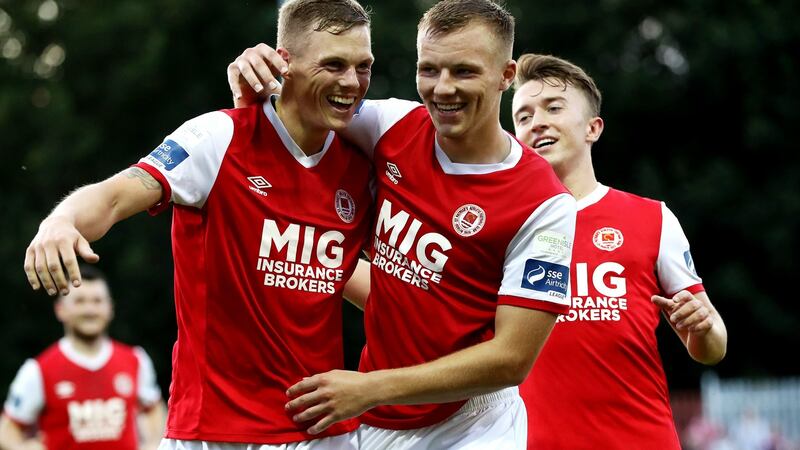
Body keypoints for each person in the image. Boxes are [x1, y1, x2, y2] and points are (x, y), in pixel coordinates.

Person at [23, 0, 376, 448]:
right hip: (213, 431)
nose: (352, 82)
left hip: (319, 431)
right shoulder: (217, 137)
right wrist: (61, 220)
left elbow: (357, 281)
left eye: (363, 66)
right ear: (283, 62)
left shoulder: (361, 165)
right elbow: (115, 195)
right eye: (334, 64)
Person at [227, 1, 576, 448]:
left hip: (472, 424)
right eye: (429, 70)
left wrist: (368, 387)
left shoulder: (547, 205)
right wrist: (259, 82)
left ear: (506, 76)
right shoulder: (393, 125)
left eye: (464, 72)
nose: (442, 89)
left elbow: (512, 360)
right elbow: (298, 120)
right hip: (376, 418)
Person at [510, 53, 728, 449]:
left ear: (593, 128)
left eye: (553, 108)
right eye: (523, 116)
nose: (536, 121)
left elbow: (712, 348)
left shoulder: (652, 219)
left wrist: (703, 327)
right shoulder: (500, 230)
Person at [1, 265, 165, 450]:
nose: (90, 310)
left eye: (97, 301)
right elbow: (7, 431)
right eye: (80, 301)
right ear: (60, 310)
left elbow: (154, 409)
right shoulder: (37, 370)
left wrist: (153, 444)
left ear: (110, 308)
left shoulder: (136, 360)